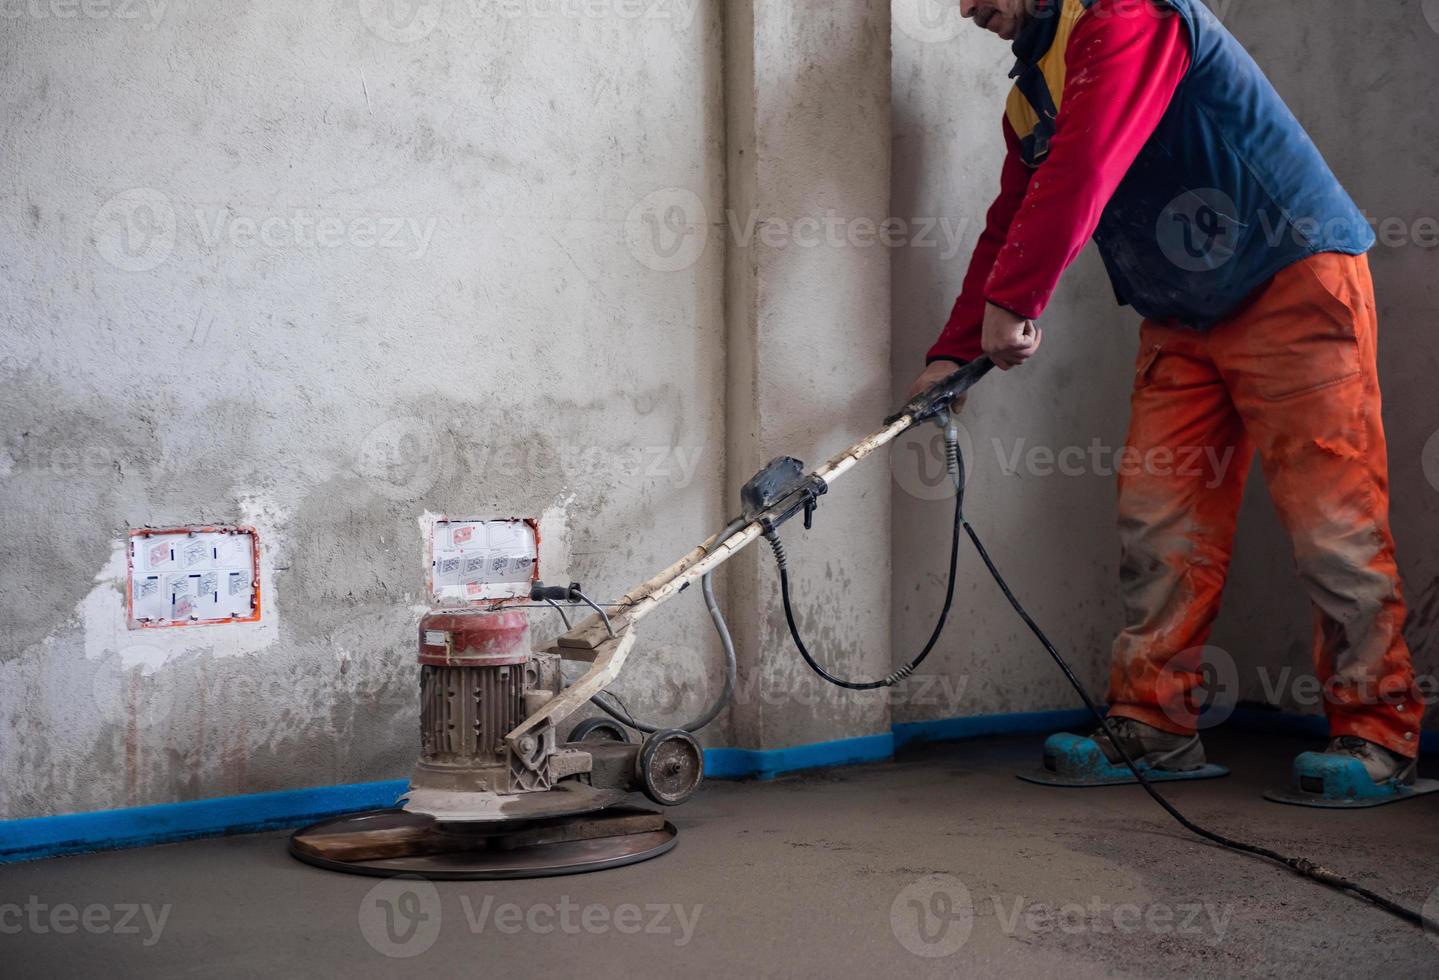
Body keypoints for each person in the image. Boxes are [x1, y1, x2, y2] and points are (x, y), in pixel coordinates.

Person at [907, 0, 1423, 788]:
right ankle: (1153, 723)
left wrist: (1017, 301)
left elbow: (1085, 165)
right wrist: (952, 354)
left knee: (1333, 527)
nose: (966, 8)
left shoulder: (1130, 13)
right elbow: (1010, 217)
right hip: (1180, 310)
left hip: (1289, 276)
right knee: (1158, 524)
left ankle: (1377, 735)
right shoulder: (1028, 97)